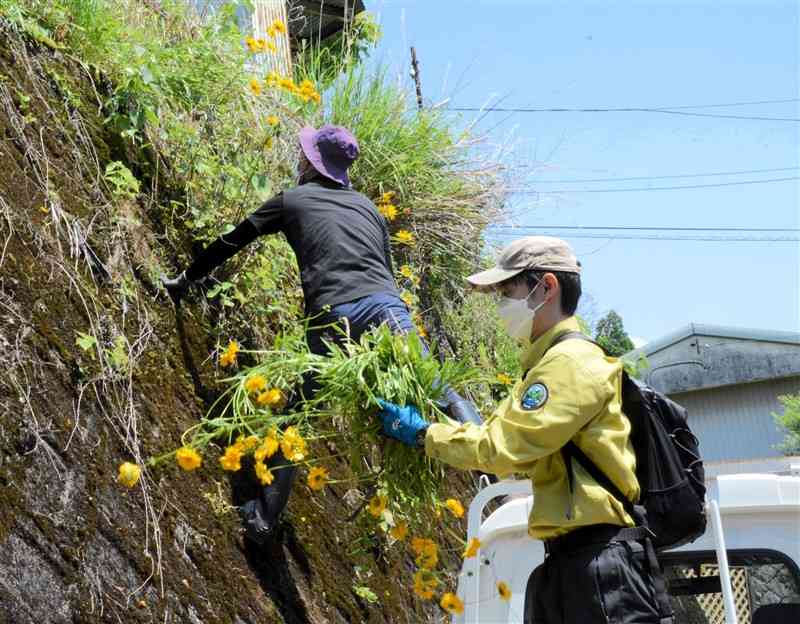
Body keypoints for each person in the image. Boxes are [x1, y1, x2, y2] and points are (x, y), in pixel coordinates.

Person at [163, 124, 481, 545]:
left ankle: (262, 518)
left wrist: (187, 277)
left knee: (301, 413)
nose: (298, 160)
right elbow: (384, 270)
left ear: (310, 164)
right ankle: (490, 466)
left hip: (336, 314)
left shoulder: (292, 200)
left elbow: (232, 241)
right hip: (389, 310)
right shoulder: (368, 207)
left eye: (302, 155)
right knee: (441, 385)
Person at [375, 236, 673, 624]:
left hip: (599, 567)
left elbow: (500, 448)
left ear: (546, 287)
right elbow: (514, 451)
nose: (500, 305)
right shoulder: (548, 364)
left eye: (506, 291)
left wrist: (422, 433)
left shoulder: (569, 364)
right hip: (574, 561)